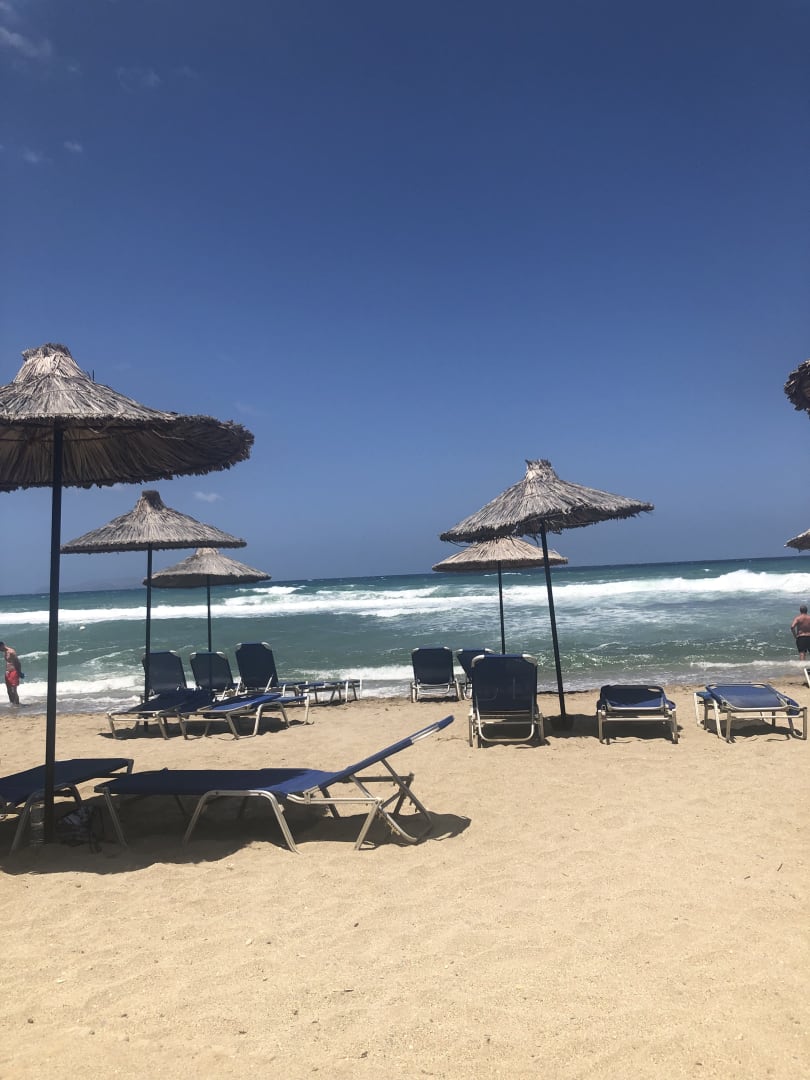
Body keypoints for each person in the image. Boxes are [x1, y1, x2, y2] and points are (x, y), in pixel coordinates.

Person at [0, 641, 22, 705]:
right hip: (8, 672)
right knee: (9, 690)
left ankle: (17, 704)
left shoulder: (11, 652)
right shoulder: (5, 652)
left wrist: (19, 672)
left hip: (14, 672)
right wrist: (7, 671)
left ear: (2, 645)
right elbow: (8, 662)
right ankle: (12, 704)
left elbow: (18, 662)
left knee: (13, 690)